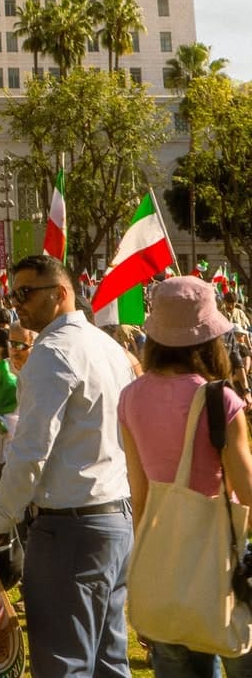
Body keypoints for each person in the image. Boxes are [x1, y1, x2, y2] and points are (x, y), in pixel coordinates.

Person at [0, 254, 135, 678]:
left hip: (72, 526)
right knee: (108, 660)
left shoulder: (53, 353)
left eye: (25, 293)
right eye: (13, 294)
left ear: (59, 294)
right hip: (112, 518)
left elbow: (28, 453)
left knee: (64, 664)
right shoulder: (108, 346)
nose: (16, 303)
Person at [119, 275, 252, 678]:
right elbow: (246, 492)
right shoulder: (219, 398)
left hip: (164, 566)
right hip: (220, 565)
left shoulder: (132, 395)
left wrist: (147, 564)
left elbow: (139, 494)